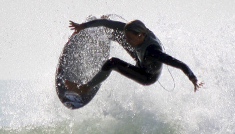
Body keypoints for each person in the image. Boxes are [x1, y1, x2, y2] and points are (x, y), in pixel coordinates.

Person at [64, 18, 202, 94]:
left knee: (113, 62)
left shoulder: (153, 52)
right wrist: (83, 26)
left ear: (140, 35)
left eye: (130, 38)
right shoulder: (135, 31)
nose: (128, 41)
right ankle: (99, 41)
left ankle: (85, 88)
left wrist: (193, 79)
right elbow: (108, 23)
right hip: (140, 58)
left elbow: (180, 64)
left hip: (146, 75)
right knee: (115, 32)